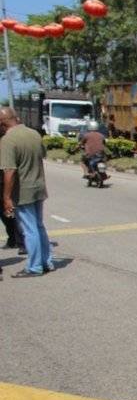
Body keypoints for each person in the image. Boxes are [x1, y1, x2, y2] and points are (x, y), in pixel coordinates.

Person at [1, 107, 54, 277]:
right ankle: (47, 262)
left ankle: (34, 267)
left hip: (23, 191)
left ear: (2, 123)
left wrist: (7, 197)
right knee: (39, 226)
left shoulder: (8, 140)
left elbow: (9, 171)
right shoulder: (34, 134)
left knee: (29, 229)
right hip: (38, 186)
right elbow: (41, 156)